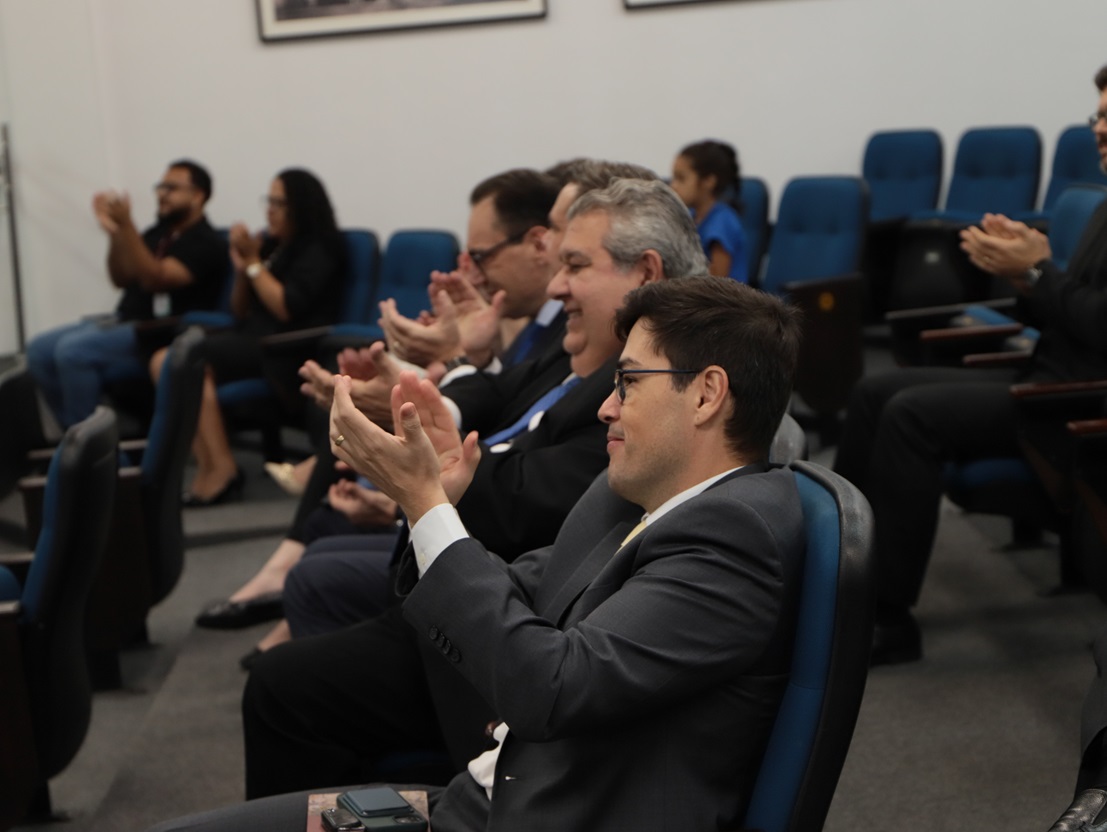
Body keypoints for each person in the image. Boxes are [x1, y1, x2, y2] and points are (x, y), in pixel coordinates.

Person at [149, 275, 804, 832]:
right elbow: (518, 584)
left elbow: (551, 687)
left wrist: (425, 505)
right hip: (474, 802)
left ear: (706, 394)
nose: (607, 407)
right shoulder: (641, 500)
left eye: (628, 381)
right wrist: (436, 502)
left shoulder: (734, 536)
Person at [196, 163, 661, 646]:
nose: (550, 260)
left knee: (311, 599)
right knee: (323, 546)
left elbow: (531, 488)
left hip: (506, 571)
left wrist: (417, 482)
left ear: (644, 270)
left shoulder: (604, 357)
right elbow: (501, 395)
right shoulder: (573, 330)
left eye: (568, 250)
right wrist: (447, 371)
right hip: (476, 530)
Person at [834, 64, 1107, 666]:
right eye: (1098, 115)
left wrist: (1039, 270)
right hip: (1047, 373)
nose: (1099, 129)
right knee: (873, 392)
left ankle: (888, 618)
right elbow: (1066, 313)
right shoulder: (1103, 209)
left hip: (1074, 402)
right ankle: (838, 578)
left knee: (909, 416)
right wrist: (1023, 274)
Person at [153, 168, 345, 506]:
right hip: (253, 338)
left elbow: (286, 307)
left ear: (300, 206)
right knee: (169, 361)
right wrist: (243, 270)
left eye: (278, 203)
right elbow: (240, 309)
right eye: (267, 201)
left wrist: (254, 264)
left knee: (179, 360)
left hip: (287, 349)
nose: (269, 211)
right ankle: (212, 464)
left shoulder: (322, 246)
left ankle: (221, 469)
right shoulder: (273, 245)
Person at [25, 160, 228, 430]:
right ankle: (72, 435)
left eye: (172, 188)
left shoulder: (207, 241)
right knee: (39, 349)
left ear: (198, 195)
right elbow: (120, 278)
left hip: (160, 333)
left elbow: (156, 279)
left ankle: (93, 447)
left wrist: (127, 224)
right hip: (125, 321)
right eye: (160, 187)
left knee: (72, 352)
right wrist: (116, 233)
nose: (162, 194)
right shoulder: (157, 234)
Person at [670, 139, 749, 283]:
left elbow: (717, 280)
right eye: (674, 178)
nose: (673, 186)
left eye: (681, 179)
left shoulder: (723, 221)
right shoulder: (691, 217)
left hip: (722, 296)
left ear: (708, 181)